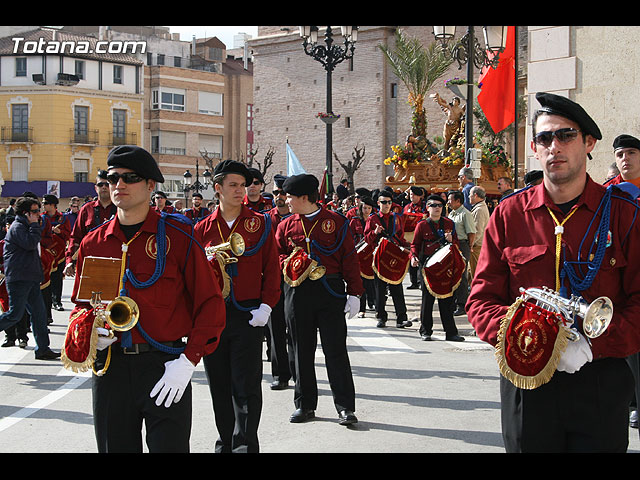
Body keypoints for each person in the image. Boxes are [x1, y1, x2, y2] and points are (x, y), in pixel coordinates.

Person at [466, 92, 640, 452]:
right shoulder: (509, 214)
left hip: (599, 380)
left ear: (589, 142)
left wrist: (593, 345)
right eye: (544, 138)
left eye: (566, 135)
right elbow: (481, 301)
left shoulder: (625, 215)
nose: (554, 146)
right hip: (526, 383)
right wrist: (531, 337)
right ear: (534, 147)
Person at [66, 145, 226, 453]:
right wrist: (88, 332)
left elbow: (210, 303)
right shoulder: (94, 241)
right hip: (110, 367)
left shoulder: (179, 236)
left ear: (151, 185)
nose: (119, 186)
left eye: (130, 178)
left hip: (164, 364)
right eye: (112, 179)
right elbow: (81, 306)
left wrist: (188, 360)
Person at [194, 159, 281, 453]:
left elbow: (272, 268)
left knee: (246, 385)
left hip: (248, 314)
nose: (239, 191)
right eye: (233, 185)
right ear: (217, 188)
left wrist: (267, 307)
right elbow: (194, 277)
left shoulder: (260, 222)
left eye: (242, 185)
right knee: (219, 384)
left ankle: (245, 444)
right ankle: (225, 441)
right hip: (213, 316)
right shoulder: (202, 228)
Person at [275, 173, 362, 426]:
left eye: (290, 196)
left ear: (304, 197)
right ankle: (304, 404)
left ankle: (345, 407)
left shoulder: (335, 222)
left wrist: (355, 293)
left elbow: (349, 257)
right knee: (300, 350)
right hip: (297, 290)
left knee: (335, 350)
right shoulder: (285, 226)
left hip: (329, 289)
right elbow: (277, 256)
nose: (286, 200)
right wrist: (292, 262)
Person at [0, 197, 59, 360]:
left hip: (30, 277)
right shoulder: (18, 227)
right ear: (25, 213)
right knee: (14, 314)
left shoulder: (25, 226)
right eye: (34, 211)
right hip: (19, 279)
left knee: (39, 314)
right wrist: (34, 225)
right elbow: (31, 243)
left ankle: (42, 349)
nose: (38, 214)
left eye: (38, 210)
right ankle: (42, 348)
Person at [411, 194, 464, 342]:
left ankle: (451, 332)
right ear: (427, 208)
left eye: (440, 206)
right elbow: (415, 244)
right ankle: (425, 331)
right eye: (433, 205)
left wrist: (451, 240)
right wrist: (413, 257)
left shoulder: (449, 223)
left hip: (445, 266)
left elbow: (456, 244)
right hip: (427, 267)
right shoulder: (422, 225)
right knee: (427, 301)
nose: (437, 208)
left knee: (447, 301)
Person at [364, 189, 412, 328]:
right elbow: (367, 239)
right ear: (378, 203)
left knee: (397, 287)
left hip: (394, 256)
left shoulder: (397, 218)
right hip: (379, 257)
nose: (386, 205)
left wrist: (407, 248)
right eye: (384, 202)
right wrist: (375, 232)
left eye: (389, 202)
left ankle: (401, 318)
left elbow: (400, 237)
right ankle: (381, 317)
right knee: (380, 289)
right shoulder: (373, 219)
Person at [265, 173, 294, 391]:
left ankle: (297, 372)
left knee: (295, 330)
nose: (279, 197)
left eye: (282, 193)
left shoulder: (297, 218)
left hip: (295, 281)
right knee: (276, 330)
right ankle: (280, 374)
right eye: (276, 193)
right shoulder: (266, 219)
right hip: (272, 280)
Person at [64, 170, 117, 277]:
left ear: (113, 186)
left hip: (116, 263)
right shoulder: (86, 209)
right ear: (95, 188)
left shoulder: (121, 208)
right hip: (88, 263)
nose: (104, 187)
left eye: (107, 184)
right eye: (100, 184)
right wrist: (70, 260)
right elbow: (76, 237)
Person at [40, 194, 71, 316]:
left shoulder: (63, 218)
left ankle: (57, 301)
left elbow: (69, 235)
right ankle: (47, 305)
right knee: (46, 280)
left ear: (53, 205)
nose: (43, 205)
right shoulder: (41, 218)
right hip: (45, 254)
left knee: (57, 278)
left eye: (45, 203)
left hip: (59, 254)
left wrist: (60, 231)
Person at [447, 190, 476, 315]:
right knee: (452, 274)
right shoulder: (452, 214)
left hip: (462, 245)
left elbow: (471, 232)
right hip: (451, 245)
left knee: (462, 275)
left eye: (450, 199)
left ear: (458, 201)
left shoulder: (465, 214)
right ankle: (452, 301)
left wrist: (469, 246)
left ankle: (462, 304)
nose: (448, 202)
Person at [349, 196, 376, 317]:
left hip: (372, 253)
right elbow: (349, 237)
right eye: (364, 208)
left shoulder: (374, 220)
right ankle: (362, 308)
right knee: (362, 281)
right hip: (359, 254)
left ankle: (373, 302)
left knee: (373, 280)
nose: (366, 210)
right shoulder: (354, 221)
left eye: (369, 208)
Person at [403, 186, 427, 289]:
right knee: (411, 258)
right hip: (408, 237)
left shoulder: (424, 206)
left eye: (413, 195)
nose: (411, 196)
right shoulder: (407, 206)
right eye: (410, 194)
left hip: (420, 236)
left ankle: (421, 281)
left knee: (420, 259)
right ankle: (414, 282)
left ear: (418, 196)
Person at [468, 185, 490, 279]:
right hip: (476, 246)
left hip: (476, 247)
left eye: (470, 194)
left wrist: (470, 244)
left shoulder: (480, 210)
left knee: (475, 273)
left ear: (475, 195)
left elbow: (477, 230)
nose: (469, 196)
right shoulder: (479, 208)